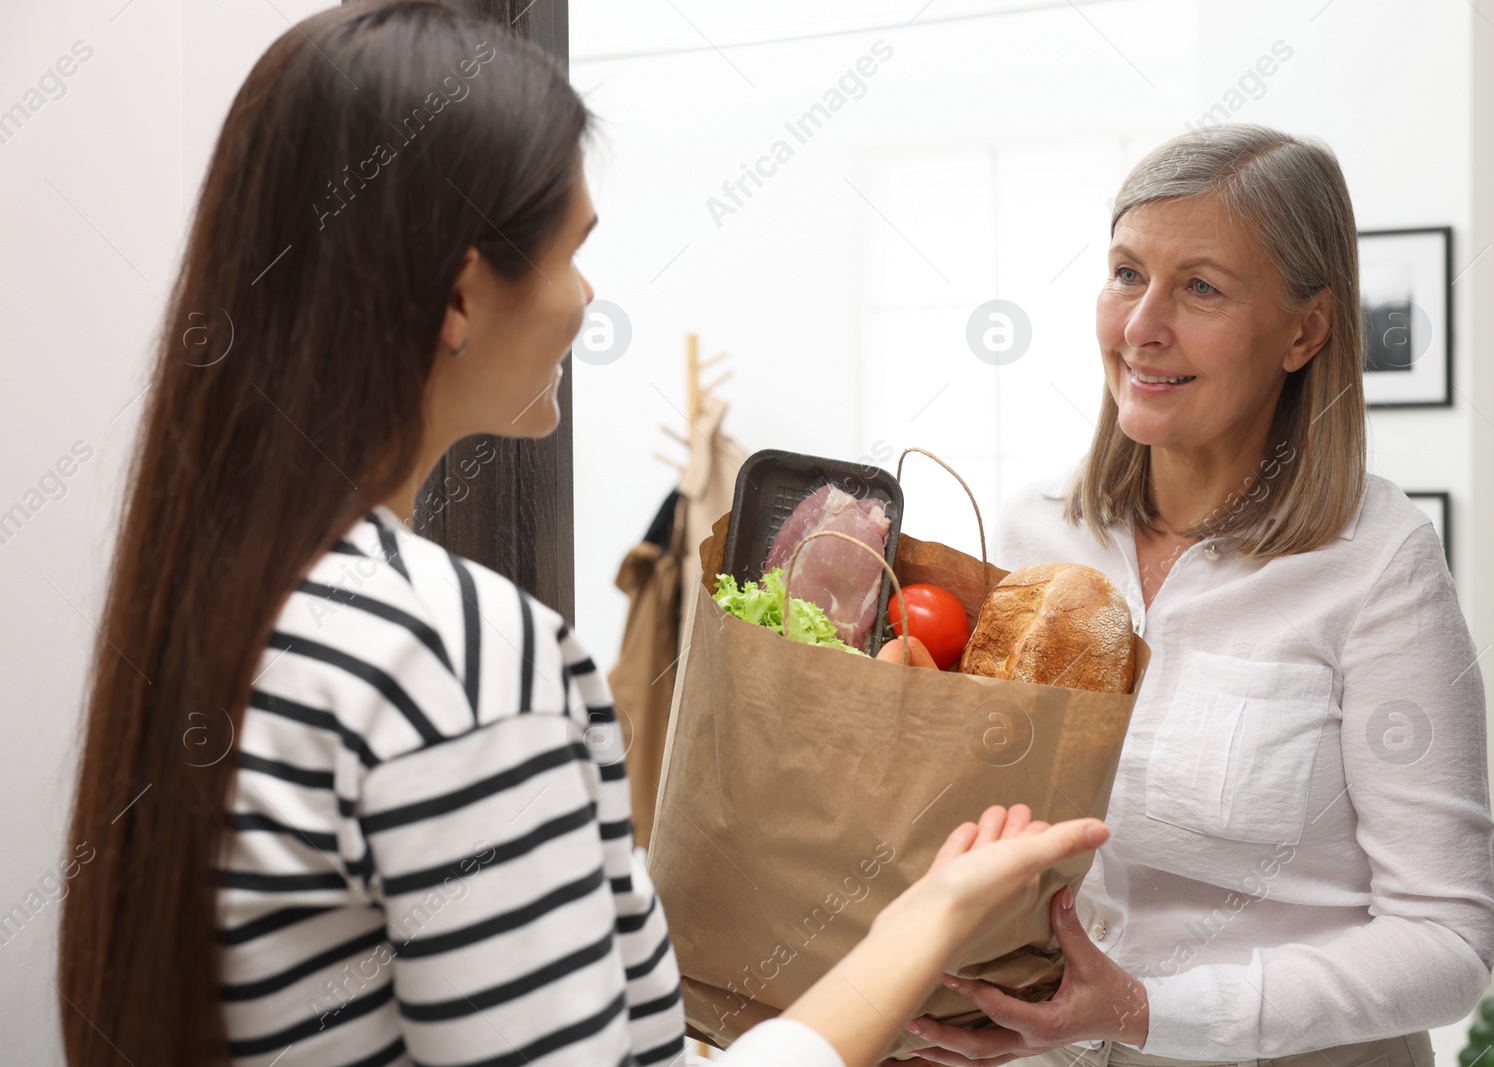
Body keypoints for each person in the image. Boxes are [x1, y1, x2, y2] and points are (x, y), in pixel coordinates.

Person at [53, 3, 1112, 1065]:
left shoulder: (223, 593)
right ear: (464, 289)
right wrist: (927, 921)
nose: (587, 298)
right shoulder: (455, 647)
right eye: (573, 252)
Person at [905, 125, 1494, 1067]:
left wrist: (1144, 1009)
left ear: (1306, 331)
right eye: (1127, 272)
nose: (1143, 325)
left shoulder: (1379, 563)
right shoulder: (1032, 536)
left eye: (1201, 287)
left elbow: (1447, 941)